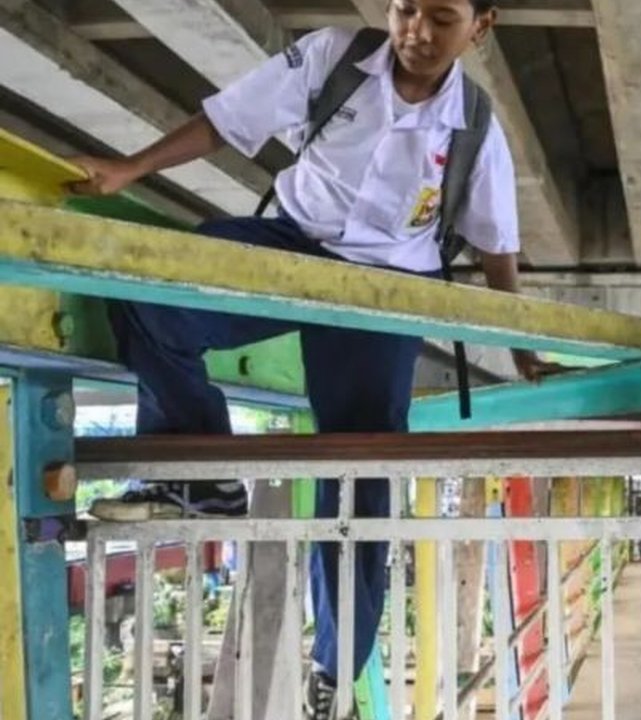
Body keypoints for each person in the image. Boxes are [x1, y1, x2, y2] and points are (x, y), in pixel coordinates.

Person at [69, 1, 557, 716]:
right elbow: (226, 121)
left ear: (481, 27)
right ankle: (205, 475)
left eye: (442, 18)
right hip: (291, 245)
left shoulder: (477, 128)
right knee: (152, 293)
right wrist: (128, 168)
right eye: (405, 9)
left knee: (358, 474)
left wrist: (520, 345)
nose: (416, 31)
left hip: (386, 291)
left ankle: (337, 665)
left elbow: (496, 246)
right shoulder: (335, 57)